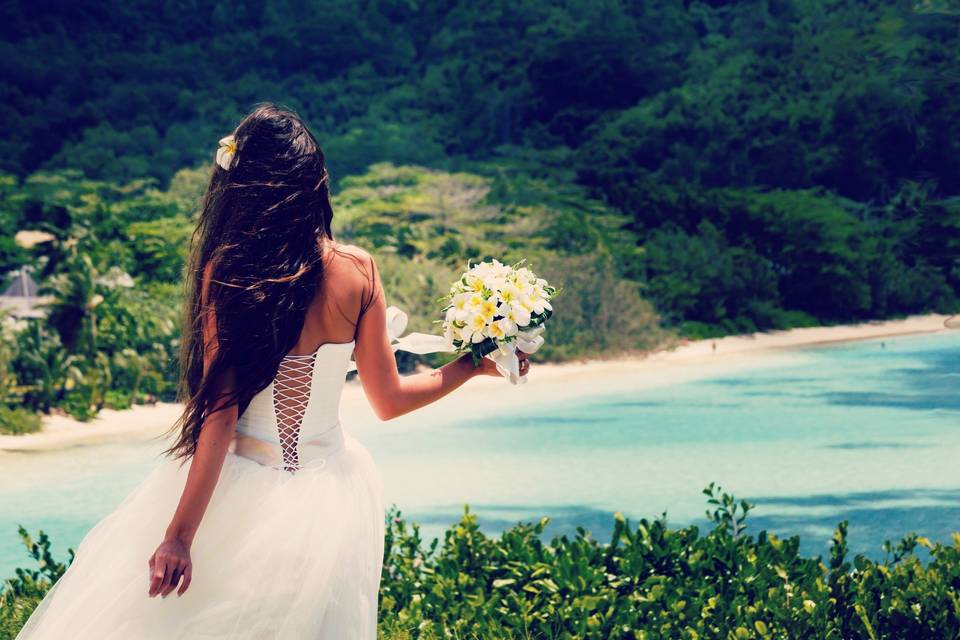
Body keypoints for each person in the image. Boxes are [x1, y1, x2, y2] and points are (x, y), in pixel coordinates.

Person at [15, 103, 530, 639]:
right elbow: (390, 401)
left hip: (239, 492)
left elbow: (219, 417)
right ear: (315, 184)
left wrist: (180, 536)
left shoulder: (230, 269)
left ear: (244, 187)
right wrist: (472, 365)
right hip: (333, 496)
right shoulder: (358, 271)